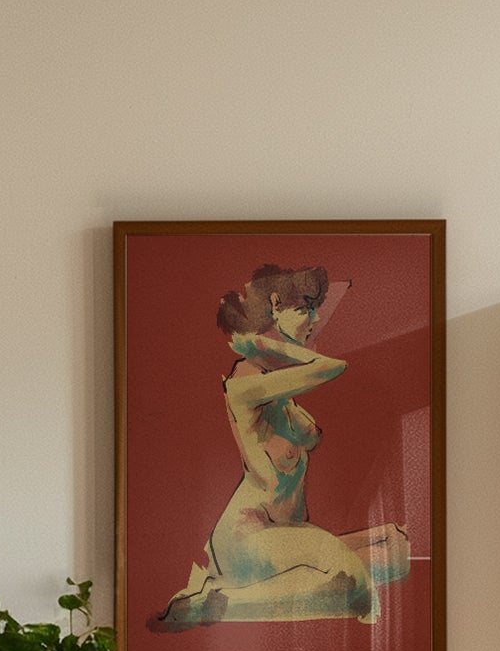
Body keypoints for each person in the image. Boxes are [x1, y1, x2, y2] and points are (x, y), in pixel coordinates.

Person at [158, 263, 410, 628]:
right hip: (248, 538)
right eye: (306, 308)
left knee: (396, 548)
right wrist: (268, 344)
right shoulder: (243, 386)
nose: (316, 318)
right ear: (276, 307)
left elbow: (310, 426)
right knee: (356, 586)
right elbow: (332, 367)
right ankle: (219, 603)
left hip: (287, 535)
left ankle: (233, 595)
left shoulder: (280, 392)